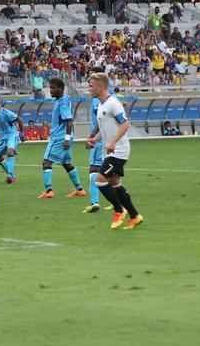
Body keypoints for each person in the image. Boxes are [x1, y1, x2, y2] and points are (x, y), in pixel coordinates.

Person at [88, 73, 143, 230]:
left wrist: (112, 142)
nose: (89, 88)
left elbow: (125, 124)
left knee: (99, 180)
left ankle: (119, 210)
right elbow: (105, 128)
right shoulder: (100, 105)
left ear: (100, 86)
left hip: (118, 151)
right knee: (115, 183)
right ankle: (135, 216)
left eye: (91, 85)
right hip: (111, 150)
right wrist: (95, 139)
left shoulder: (113, 103)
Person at [38, 77, 86, 199]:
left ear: (61, 89)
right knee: (67, 163)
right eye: (50, 88)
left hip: (59, 138)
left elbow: (69, 121)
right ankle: (80, 189)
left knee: (46, 162)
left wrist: (66, 138)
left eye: (53, 88)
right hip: (64, 137)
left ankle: (49, 191)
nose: (51, 91)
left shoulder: (63, 102)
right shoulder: (62, 100)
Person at [0, 93, 22, 184]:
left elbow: (19, 120)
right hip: (2, 137)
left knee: (10, 152)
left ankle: (10, 175)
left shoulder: (6, 112)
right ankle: (12, 175)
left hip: (12, 135)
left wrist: (21, 133)